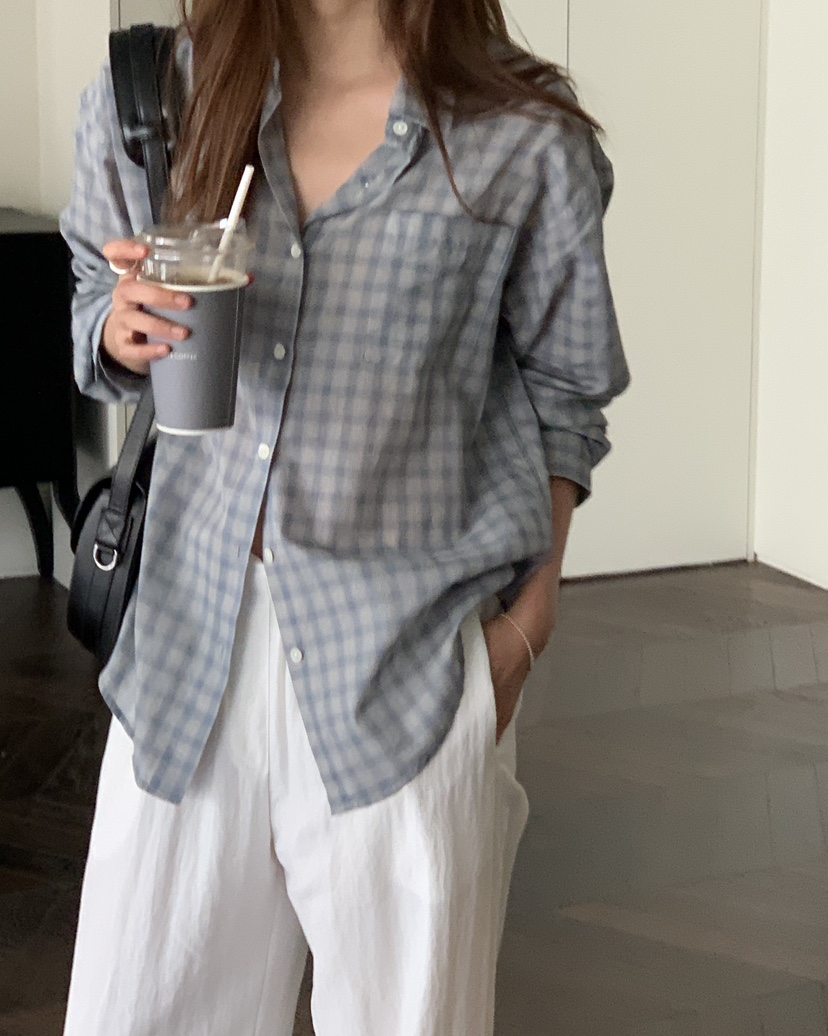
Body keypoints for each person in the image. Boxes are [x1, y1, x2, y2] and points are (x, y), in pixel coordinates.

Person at [61, 0, 629, 1032]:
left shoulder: (523, 135)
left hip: (406, 666)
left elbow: (566, 392)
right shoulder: (157, 98)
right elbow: (95, 300)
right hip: (187, 656)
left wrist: (528, 627)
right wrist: (118, 329)